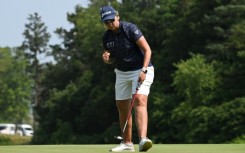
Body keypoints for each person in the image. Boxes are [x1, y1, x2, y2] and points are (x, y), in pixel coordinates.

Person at [100, 6, 154, 152]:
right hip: (122, 72)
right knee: (122, 107)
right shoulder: (107, 37)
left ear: (117, 16)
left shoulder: (130, 29)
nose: (110, 24)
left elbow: (147, 49)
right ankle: (127, 143)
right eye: (106, 22)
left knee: (139, 100)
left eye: (111, 20)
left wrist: (144, 70)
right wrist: (107, 58)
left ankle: (143, 139)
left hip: (141, 69)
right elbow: (111, 58)